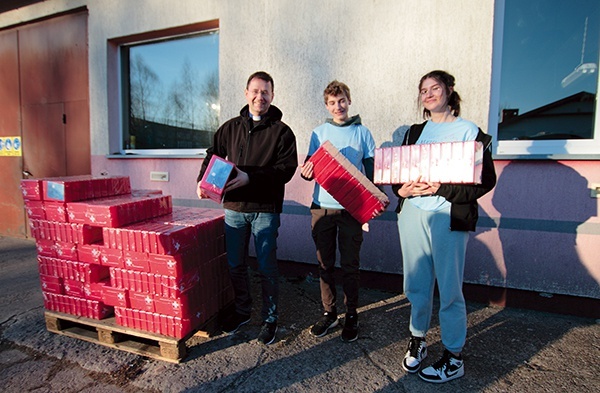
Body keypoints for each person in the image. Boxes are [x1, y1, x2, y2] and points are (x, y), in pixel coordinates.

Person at [392, 70, 496, 383]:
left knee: (450, 288)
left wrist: (442, 189)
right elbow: (400, 173)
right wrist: (401, 191)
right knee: (416, 284)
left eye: (434, 87)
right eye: (423, 90)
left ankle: (453, 356)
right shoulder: (414, 131)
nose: (428, 94)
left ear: (449, 90)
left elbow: (485, 181)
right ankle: (418, 338)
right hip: (413, 214)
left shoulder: (470, 132)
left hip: (449, 215)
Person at [196, 71, 298, 345]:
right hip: (234, 209)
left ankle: (269, 319)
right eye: (255, 91)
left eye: (265, 92)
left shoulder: (282, 132)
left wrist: (251, 177)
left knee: (267, 266)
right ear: (246, 93)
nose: (259, 97)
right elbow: (213, 155)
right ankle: (242, 311)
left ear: (272, 96)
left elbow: (285, 170)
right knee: (235, 264)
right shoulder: (230, 128)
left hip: (265, 209)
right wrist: (202, 181)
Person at [300, 80, 388, 342]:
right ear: (326, 106)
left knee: (350, 265)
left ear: (349, 101)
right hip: (322, 209)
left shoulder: (363, 133)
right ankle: (329, 313)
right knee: (324, 264)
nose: (337, 106)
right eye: (331, 102)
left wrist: (375, 203)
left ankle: (351, 314)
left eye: (341, 101)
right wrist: (306, 173)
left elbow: (372, 175)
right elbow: (310, 167)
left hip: (352, 210)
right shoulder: (318, 133)